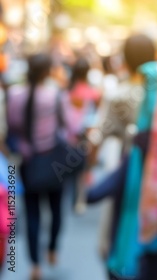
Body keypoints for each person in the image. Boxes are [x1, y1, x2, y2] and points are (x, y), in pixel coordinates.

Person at [86, 33, 156, 280]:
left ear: (125, 59)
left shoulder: (119, 95)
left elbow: (96, 138)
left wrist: (88, 172)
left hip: (127, 174)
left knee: (118, 234)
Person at [6, 53, 68, 280]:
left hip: (29, 162)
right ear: (47, 71)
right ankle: (51, 248)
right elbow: (64, 126)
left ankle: (35, 264)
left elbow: (12, 126)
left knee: (32, 214)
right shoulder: (54, 94)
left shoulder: (14, 94)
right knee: (56, 210)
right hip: (54, 161)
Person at [65, 56, 101, 214]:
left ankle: (71, 197)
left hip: (68, 136)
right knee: (83, 169)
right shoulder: (93, 93)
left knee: (70, 169)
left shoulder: (67, 90)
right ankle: (79, 200)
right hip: (86, 135)